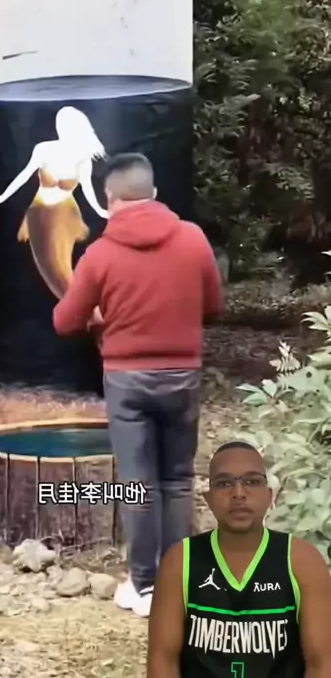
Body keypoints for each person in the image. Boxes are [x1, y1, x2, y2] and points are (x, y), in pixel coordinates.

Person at [53, 152, 222, 616]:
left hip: (126, 382)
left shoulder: (100, 254)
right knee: (178, 480)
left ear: (109, 199)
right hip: (182, 376)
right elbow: (214, 306)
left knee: (138, 485)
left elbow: (64, 321)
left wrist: (98, 317)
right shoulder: (192, 239)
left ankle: (145, 586)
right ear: (154, 193)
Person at [147, 440, 331, 678]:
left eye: (251, 481)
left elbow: (321, 665)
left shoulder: (302, 561)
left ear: (269, 496)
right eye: (224, 483)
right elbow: (163, 661)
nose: (238, 493)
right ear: (209, 498)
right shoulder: (180, 560)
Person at [0, 106, 108, 299]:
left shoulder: (83, 159)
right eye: (59, 123)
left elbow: (87, 188)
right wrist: (2, 197)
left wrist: (100, 210)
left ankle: (82, 305)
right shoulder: (44, 149)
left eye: (66, 125)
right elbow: (24, 175)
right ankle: (78, 305)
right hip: (38, 212)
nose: (61, 128)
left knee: (62, 266)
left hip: (65, 214)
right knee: (47, 266)